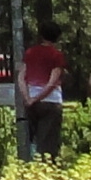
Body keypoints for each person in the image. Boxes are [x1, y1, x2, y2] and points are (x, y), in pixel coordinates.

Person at [18, 20, 68, 159]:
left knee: (32, 138)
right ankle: (46, 166)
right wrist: (37, 98)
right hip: (51, 101)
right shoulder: (56, 55)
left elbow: (21, 77)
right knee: (49, 142)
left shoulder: (30, 53)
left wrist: (28, 98)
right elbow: (52, 82)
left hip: (31, 103)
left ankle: (31, 162)